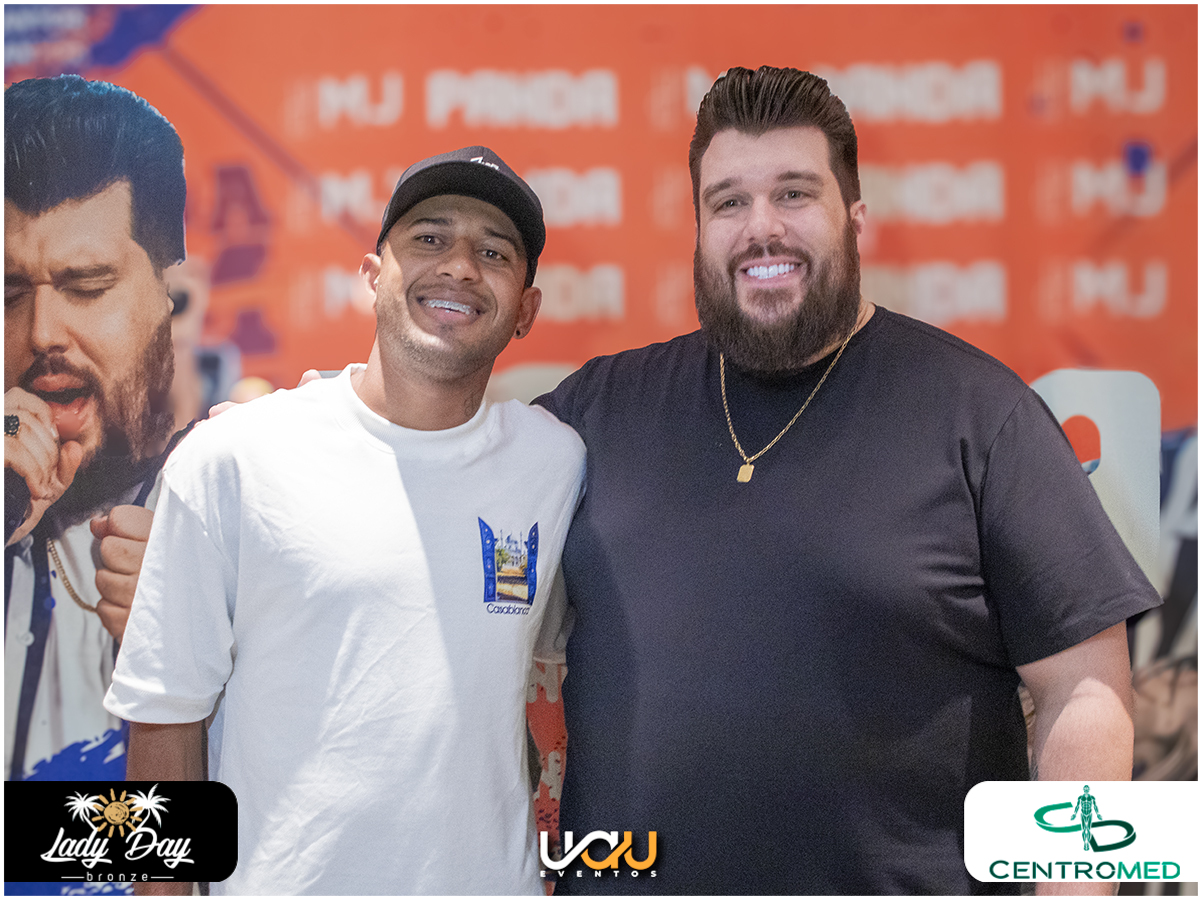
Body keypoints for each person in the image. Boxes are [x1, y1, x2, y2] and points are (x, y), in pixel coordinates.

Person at [533, 66, 1161, 894]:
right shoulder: (596, 413)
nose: (762, 228)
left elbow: (1086, 689)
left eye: (794, 194)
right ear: (699, 229)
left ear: (855, 219)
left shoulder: (979, 413)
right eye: (728, 202)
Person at [104, 146, 586, 895]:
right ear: (372, 276)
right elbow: (164, 716)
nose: (460, 266)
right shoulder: (234, 457)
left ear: (526, 310)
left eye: (494, 252)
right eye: (429, 238)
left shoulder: (555, 463)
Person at [4, 75, 187, 786]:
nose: (43, 332)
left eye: (86, 287)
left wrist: (208, 638)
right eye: (9, 293)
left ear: (170, 294)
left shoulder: (249, 501)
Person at [1071, 785, 1103, 850]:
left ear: (1088, 790)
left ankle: (1087, 843)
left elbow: (1095, 806)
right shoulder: (1080, 797)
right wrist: (1074, 814)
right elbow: (1077, 806)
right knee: (1083, 829)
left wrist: (1098, 814)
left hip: (1089, 814)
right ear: (1083, 789)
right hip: (1083, 814)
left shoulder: (1092, 798)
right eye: (1085, 789)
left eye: (1087, 789)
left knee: (1088, 828)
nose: (1086, 790)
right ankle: (1084, 843)